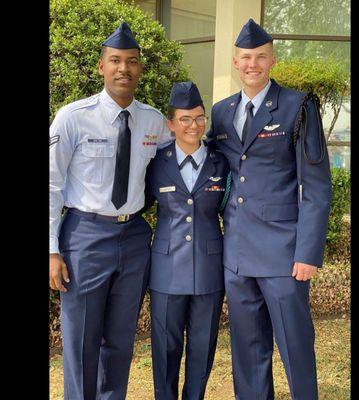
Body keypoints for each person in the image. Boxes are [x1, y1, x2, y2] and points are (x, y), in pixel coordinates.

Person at [207, 19, 332, 400]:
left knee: (294, 347)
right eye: (246, 57)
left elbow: (316, 187)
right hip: (238, 253)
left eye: (260, 57)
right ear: (235, 61)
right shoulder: (222, 111)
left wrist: (307, 253)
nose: (252, 64)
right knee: (247, 351)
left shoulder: (298, 105)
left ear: (273, 60)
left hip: (283, 253)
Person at [49, 22, 172, 400]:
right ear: (101, 67)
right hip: (85, 237)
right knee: (82, 341)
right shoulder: (73, 117)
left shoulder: (153, 121)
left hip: (134, 237)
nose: (124, 69)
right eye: (115, 61)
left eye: (131, 62)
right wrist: (51, 249)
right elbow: (51, 184)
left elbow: (180, 159)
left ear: (140, 69)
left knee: (121, 342)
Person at [144, 81, 230, 400]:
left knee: (201, 350)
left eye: (199, 118)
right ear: (171, 123)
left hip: (209, 270)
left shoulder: (221, 163)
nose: (193, 126)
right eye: (185, 119)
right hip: (167, 271)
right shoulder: (156, 163)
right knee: (165, 352)